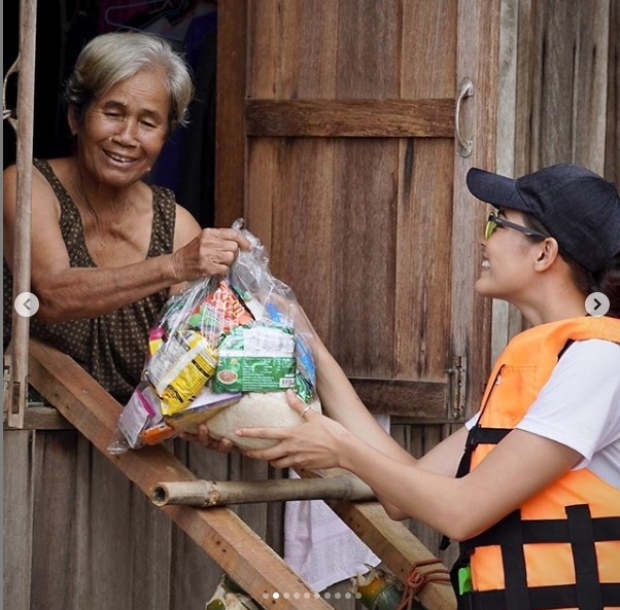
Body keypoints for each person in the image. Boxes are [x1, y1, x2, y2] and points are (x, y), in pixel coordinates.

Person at [232, 163, 620, 608]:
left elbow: (461, 510)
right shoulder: (545, 367)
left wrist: (340, 448)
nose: (484, 238)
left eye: (497, 221)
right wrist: (311, 344)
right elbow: (407, 489)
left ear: (544, 253)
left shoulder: (599, 363)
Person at [3, 32, 250, 404]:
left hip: (135, 446)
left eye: (148, 123)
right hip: (26, 444)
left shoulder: (177, 228)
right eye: (113, 113)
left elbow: (188, 359)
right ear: (76, 116)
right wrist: (174, 265)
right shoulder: (27, 186)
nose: (127, 137)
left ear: (165, 137)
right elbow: (52, 296)